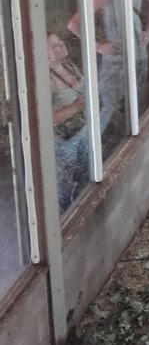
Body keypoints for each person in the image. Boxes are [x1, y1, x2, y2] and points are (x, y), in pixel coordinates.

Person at [67, 0, 149, 143]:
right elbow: (73, 24)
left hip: (139, 54)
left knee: (137, 94)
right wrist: (97, 45)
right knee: (109, 103)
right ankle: (98, 142)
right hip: (115, 58)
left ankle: (134, 133)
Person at [48, 32, 88, 212]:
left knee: (85, 172)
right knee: (63, 180)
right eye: (53, 45)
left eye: (59, 41)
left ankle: (84, 205)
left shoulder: (68, 64)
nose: (61, 45)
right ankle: (66, 216)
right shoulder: (45, 80)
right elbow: (46, 120)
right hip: (64, 141)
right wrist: (76, 106)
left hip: (83, 130)